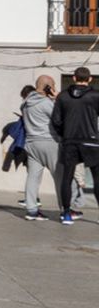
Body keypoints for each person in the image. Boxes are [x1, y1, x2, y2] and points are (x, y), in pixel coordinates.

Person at [52, 67, 99, 226]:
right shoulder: (95, 96)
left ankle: (66, 213)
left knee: (67, 177)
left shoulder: (63, 97)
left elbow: (56, 121)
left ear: (73, 78)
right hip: (91, 141)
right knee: (97, 178)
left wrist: (64, 134)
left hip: (70, 141)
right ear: (90, 79)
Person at [21, 76, 59, 220]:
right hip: (49, 142)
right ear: (48, 87)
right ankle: (65, 209)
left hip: (31, 143)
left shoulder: (25, 103)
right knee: (60, 176)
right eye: (53, 85)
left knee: (33, 177)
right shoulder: (46, 103)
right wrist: (56, 99)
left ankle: (31, 209)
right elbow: (59, 118)